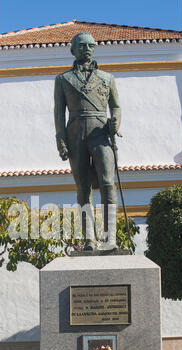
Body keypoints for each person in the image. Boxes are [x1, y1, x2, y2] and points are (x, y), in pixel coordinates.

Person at [54, 32, 121, 250]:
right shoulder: (63, 79)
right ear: (73, 50)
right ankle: (89, 239)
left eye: (91, 45)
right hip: (75, 134)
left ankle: (110, 238)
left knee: (108, 183)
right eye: (82, 46)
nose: (87, 49)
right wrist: (60, 139)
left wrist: (116, 122)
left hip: (100, 132)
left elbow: (116, 106)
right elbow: (58, 112)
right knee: (83, 188)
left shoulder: (107, 78)